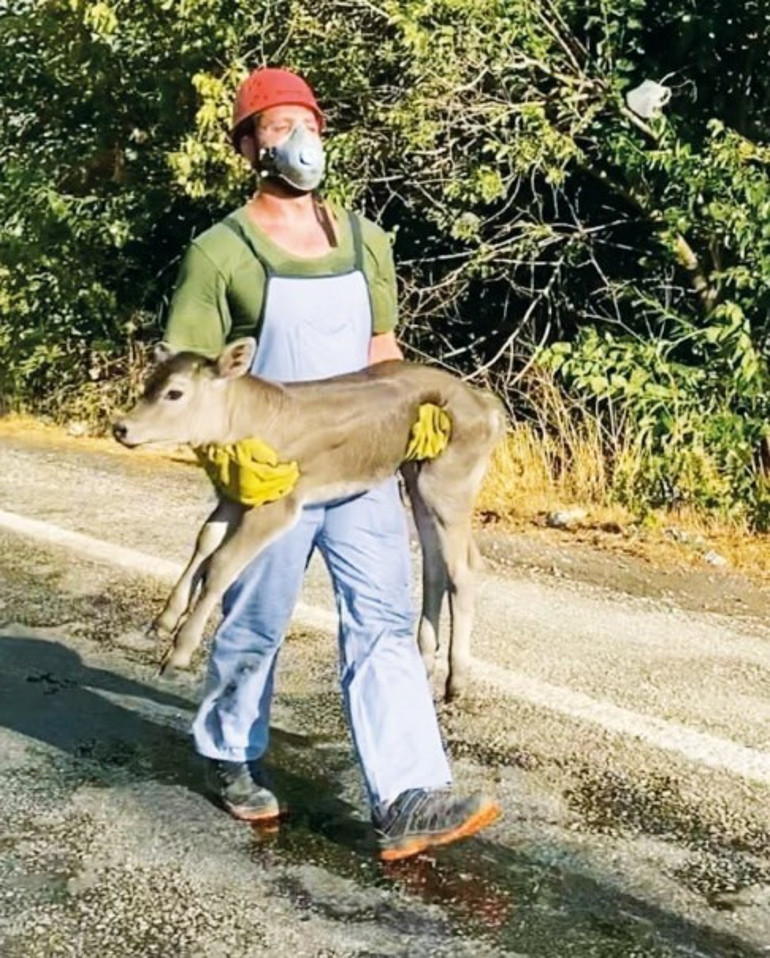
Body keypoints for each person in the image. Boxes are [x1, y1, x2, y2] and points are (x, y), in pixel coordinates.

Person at [163, 66, 500, 860]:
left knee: (382, 623)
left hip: (360, 468)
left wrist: (415, 414)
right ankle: (229, 751)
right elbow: (189, 376)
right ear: (248, 146)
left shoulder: (363, 240)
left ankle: (410, 792)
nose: (294, 139)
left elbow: (384, 355)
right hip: (272, 472)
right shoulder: (221, 253)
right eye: (274, 127)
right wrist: (228, 467)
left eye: (302, 122)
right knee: (254, 624)